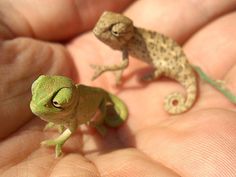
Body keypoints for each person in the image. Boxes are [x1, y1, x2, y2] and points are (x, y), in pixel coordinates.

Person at [1, 1, 236, 176]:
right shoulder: (125, 44)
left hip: (164, 65)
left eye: (112, 32)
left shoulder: (130, 44)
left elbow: (122, 65)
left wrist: (107, 72)